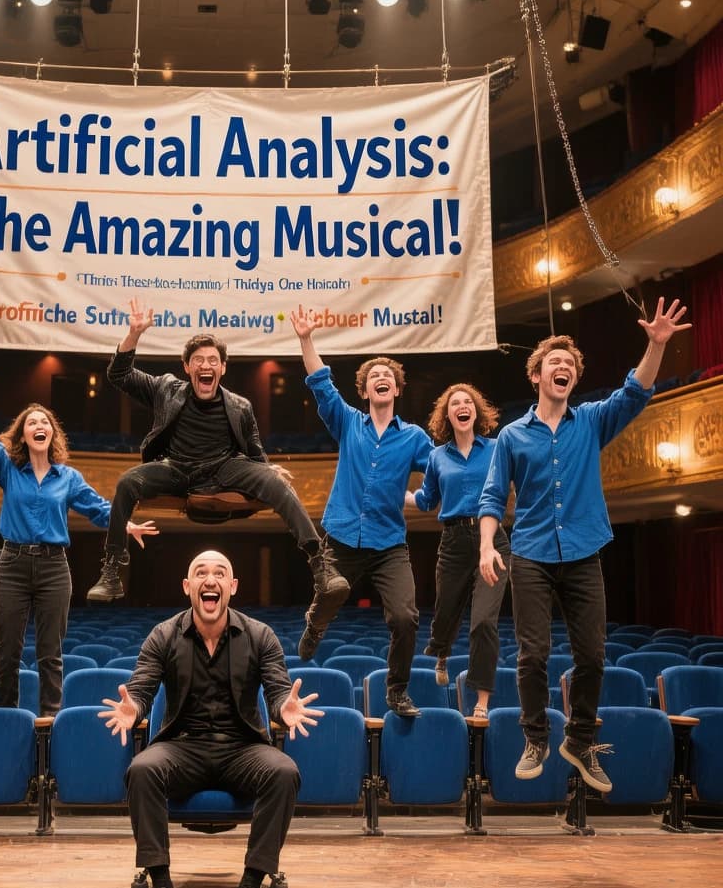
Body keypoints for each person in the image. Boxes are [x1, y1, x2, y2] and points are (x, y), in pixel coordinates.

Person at [478, 297, 691, 792]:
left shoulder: (591, 420)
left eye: (570, 365)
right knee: (533, 654)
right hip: (529, 552)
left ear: (574, 379)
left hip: (583, 551)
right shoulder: (512, 436)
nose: (564, 368)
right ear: (537, 375)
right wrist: (489, 546)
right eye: (555, 362)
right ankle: (536, 737)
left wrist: (655, 344)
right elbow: (491, 497)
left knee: (592, 655)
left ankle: (578, 740)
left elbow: (635, 391)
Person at [99, 549, 321, 888]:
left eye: (220, 573)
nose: (210, 579)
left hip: (242, 749)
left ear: (231, 587)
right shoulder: (164, 635)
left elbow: (277, 689)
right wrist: (133, 706)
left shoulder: (259, 635)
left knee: (284, 772)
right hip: (184, 747)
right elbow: (142, 687)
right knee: (142, 770)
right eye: (200, 573)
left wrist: (283, 706)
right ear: (188, 587)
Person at [85, 298, 348, 606]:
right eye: (198, 360)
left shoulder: (240, 406)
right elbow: (118, 375)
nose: (205, 365)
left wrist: (266, 470)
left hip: (224, 468)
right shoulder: (165, 389)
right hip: (177, 469)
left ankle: (321, 565)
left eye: (212, 360)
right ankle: (112, 572)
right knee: (127, 482)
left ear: (222, 368)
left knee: (278, 484)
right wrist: (134, 335)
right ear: (187, 367)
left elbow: (255, 452)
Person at [0, 357, 157, 715]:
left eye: (45, 423)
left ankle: (50, 723)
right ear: (23, 434)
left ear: (52, 434)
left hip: (53, 568)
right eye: (32, 422)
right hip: (12, 564)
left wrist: (125, 525)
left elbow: (99, 508)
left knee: (51, 652)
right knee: (7, 651)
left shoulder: (67, 477)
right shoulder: (8, 469)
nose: (39, 426)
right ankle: (4, 718)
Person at [290, 305, 433, 716]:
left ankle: (396, 691)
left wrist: (422, 498)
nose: (382, 379)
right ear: (365, 391)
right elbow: (321, 384)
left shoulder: (415, 438)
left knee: (405, 618)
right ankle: (315, 625)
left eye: (388, 377)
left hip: (389, 543)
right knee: (331, 592)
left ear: (397, 389)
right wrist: (305, 339)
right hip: (342, 535)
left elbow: (441, 471)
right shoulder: (349, 423)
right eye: (374, 378)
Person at [405, 384, 509, 717]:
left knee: (483, 623)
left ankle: (480, 701)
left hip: (491, 540)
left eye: (467, 402)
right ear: (447, 415)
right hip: (452, 542)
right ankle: (442, 652)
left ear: (475, 411)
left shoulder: (495, 449)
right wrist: (396, 494)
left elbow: (515, 481)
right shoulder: (437, 456)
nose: (462, 407)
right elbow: (425, 500)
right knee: (446, 609)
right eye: (455, 404)